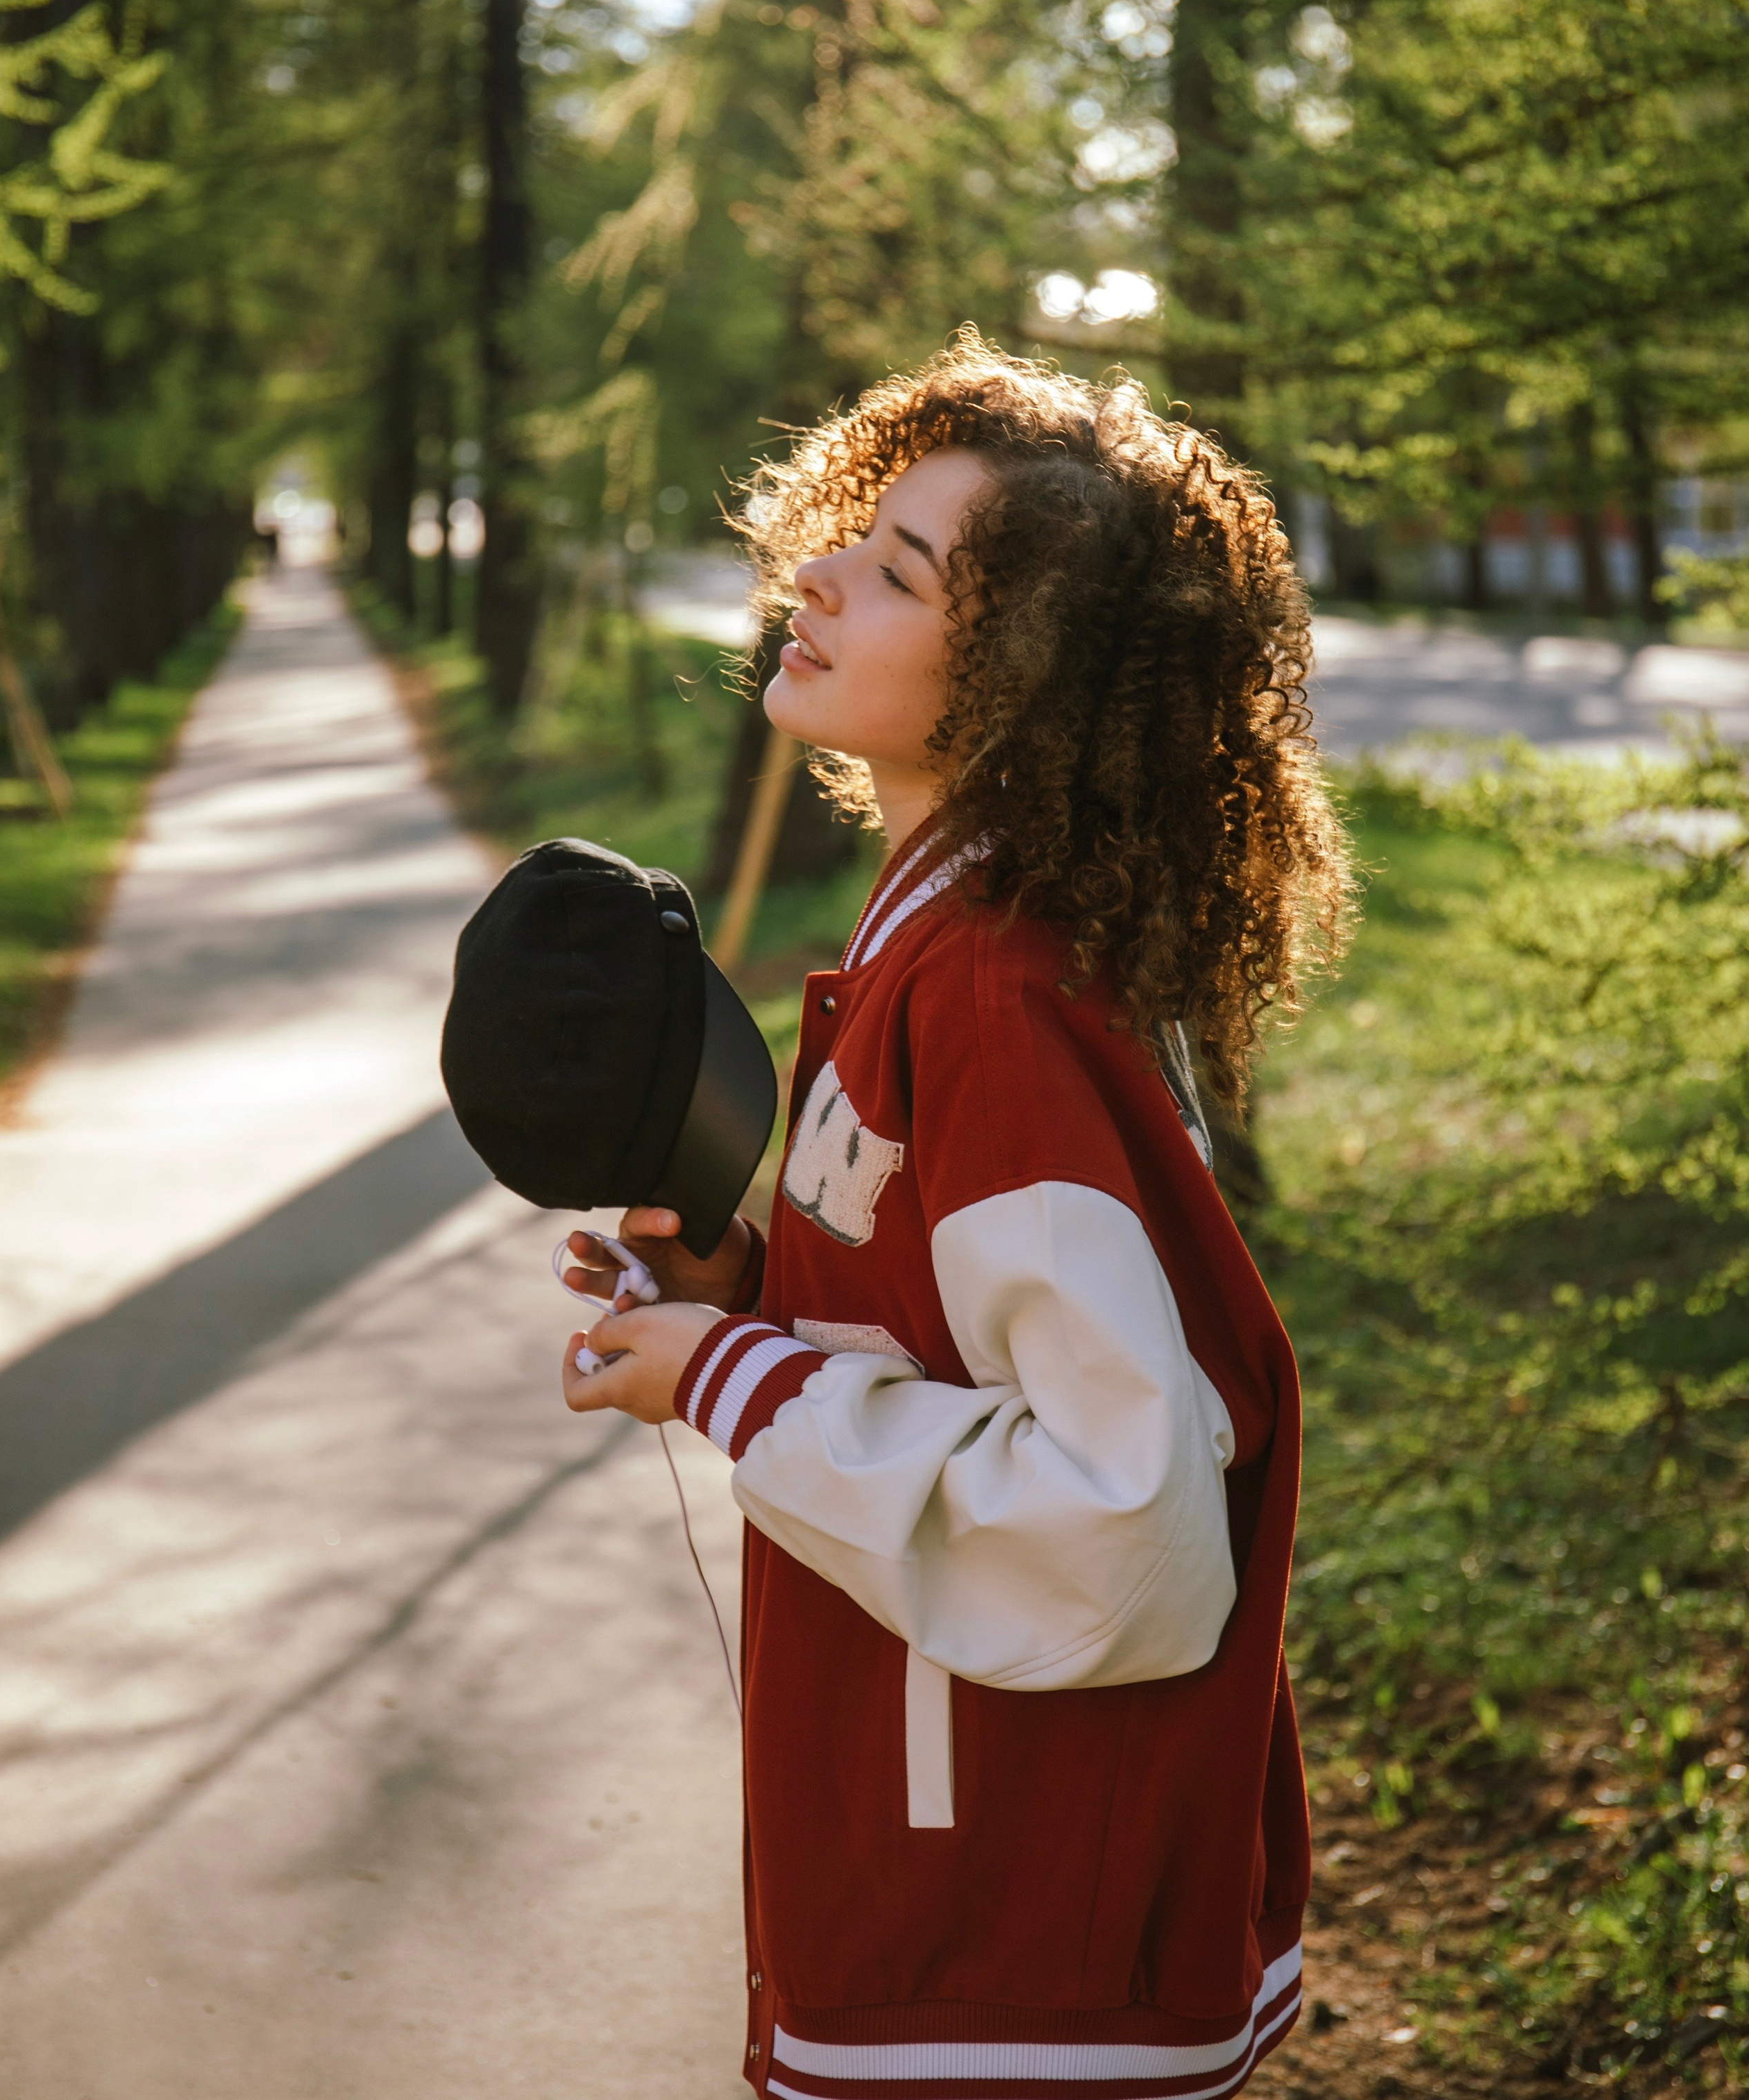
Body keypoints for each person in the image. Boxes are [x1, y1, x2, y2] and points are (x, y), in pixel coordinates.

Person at [560, 331, 1353, 2100]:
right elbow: (960, 1337)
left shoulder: (990, 993)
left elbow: (1117, 1507)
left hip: (1005, 1940)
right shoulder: (941, 940)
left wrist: (729, 1382)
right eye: (853, 535)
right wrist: (738, 1298)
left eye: (900, 572)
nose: (815, 576)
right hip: (958, 1887)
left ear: (1021, 678)